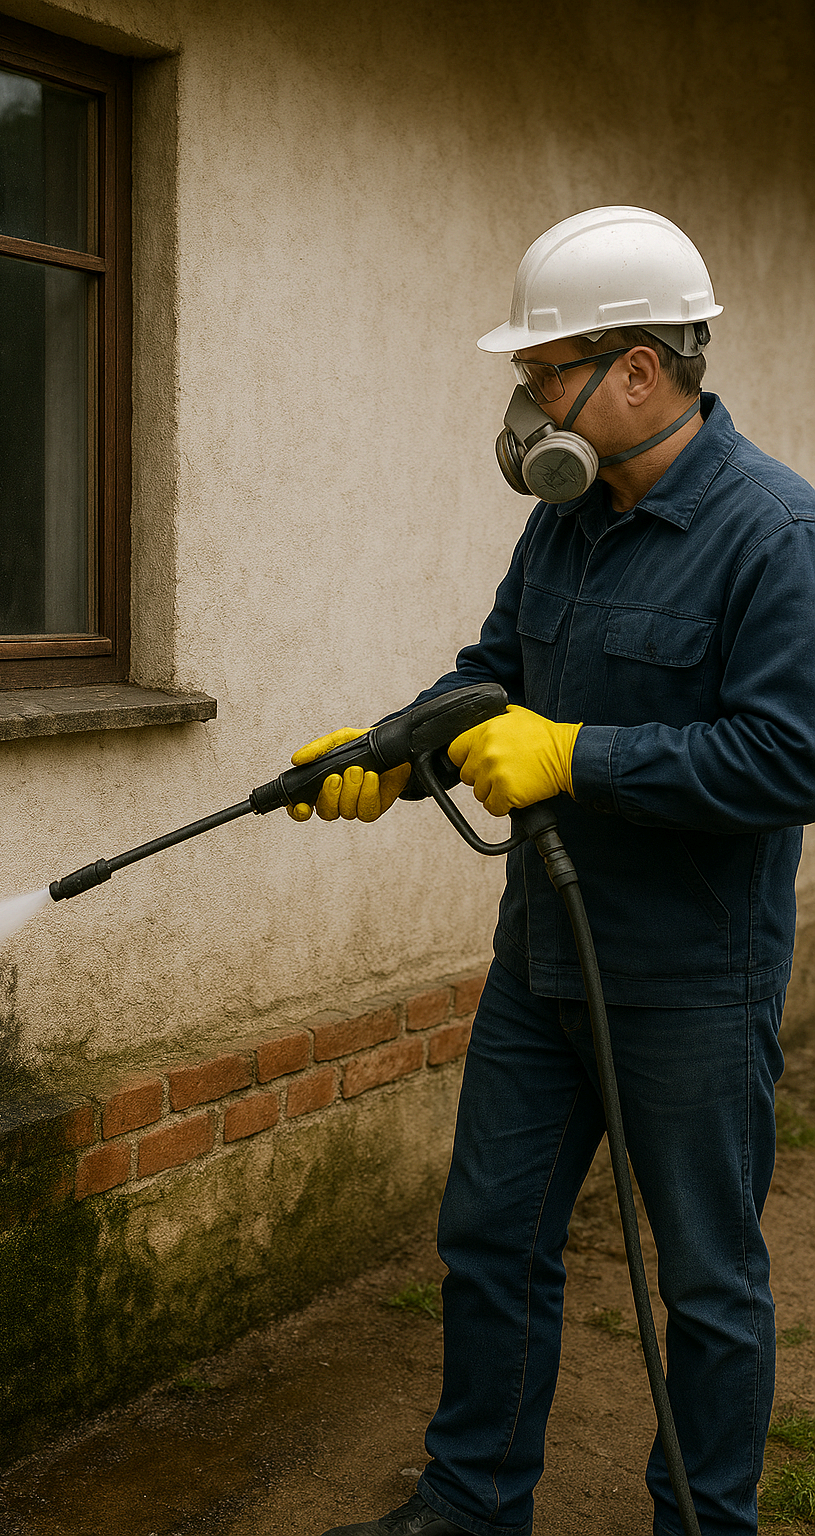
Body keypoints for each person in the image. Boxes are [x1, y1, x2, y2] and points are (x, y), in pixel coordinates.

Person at [288, 207, 815, 1536]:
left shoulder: (778, 535)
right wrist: (392, 750)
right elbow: (495, 682)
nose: (526, 407)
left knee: (705, 1285)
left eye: (543, 372)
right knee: (491, 1245)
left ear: (640, 368)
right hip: (542, 966)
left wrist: (577, 757)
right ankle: (471, 1509)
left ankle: (704, 1523)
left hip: (690, 983)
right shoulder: (565, 532)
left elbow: (786, 759)